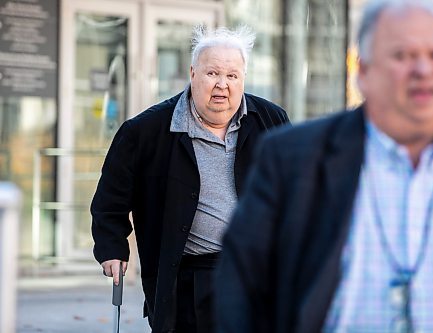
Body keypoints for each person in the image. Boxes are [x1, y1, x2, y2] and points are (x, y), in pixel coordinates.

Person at [215, 1, 433, 332]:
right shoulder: (293, 158)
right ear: (364, 73)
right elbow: (241, 288)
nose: (423, 69)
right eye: (403, 55)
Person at [91, 25, 289, 333]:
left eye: (232, 76)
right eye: (212, 74)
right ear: (192, 72)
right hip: (188, 280)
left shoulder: (271, 120)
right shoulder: (146, 131)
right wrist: (111, 247)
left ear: (243, 79)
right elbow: (110, 201)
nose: (222, 84)